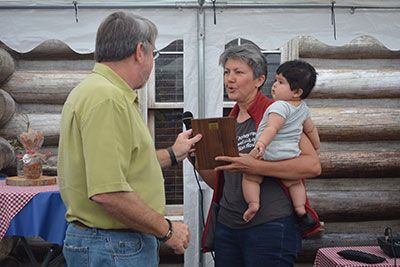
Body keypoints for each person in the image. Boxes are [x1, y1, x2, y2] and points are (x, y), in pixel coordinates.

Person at [57, 11, 201, 267]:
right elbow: (108, 192)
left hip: (105, 244)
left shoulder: (94, 90)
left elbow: (124, 167)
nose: (152, 61)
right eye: (153, 54)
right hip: (114, 246)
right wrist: (167, 229)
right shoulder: (107, 99)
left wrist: (173, 153)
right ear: (139, 51)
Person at [199, 43, 321, 267]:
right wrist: (197, 158)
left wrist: (255, 167)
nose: (230, 79)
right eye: (227, 72)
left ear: (259, 80)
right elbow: (221, 182)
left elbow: (312, 165)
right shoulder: (229, 121)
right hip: (227, 227)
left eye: (238, 72)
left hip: (270, 228)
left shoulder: (278, 113)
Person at [242, 60, 320, 231]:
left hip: (268, 152)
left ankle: (253, 204)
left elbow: (272, 128)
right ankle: (300, 209)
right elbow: (311, 129)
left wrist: (261, 144)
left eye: (281, 82)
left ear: (297, 91)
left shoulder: (279, 106)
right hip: (290, 154)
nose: (274, 85)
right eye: (276, 80)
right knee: (295, 183)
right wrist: (316, 145)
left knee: (250, 176)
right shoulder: (303, 109)